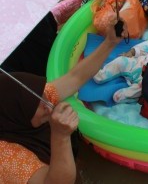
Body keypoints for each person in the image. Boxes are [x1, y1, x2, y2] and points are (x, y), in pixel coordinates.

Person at [0, 18, 124, 184]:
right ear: (17, 116)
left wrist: (110, 42)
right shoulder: (7, 156)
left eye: (44, 95)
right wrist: (60, 137)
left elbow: (75, 77)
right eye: (38, 104)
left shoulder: (36, 98)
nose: (48, 103)